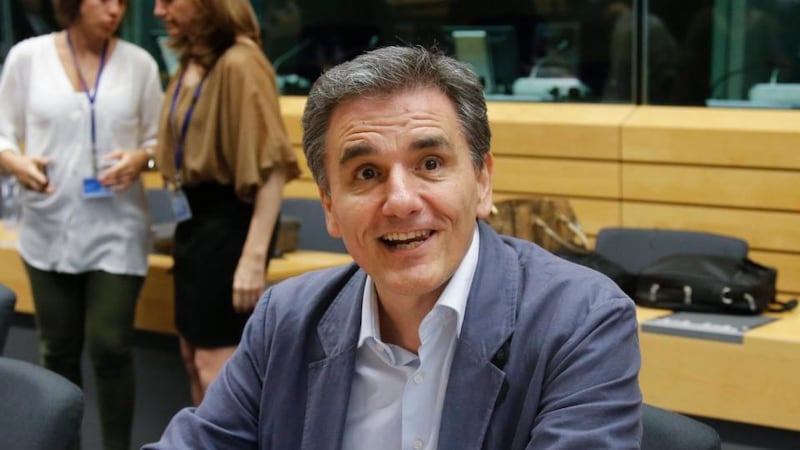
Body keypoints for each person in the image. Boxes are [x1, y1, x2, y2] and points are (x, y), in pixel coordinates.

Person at [145, 45, 642, 449]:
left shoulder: (581, 321)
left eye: (429, 163)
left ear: (482, 182)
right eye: (366, 173)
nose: (401, 202)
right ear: (330, 206)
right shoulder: (286, 320)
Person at [0, 0, 163, 449]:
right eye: (103, 0)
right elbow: (3, 133)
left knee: (111, 346)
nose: (115, 10)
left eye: (121, 2)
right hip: (47, 226)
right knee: (58, 350)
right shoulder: (27, 57)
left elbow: (158, 142)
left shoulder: (139, 64)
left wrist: (139, 158)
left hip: (119, 226)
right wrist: (15, 162)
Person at [152, 0, 300, 405]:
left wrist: (253, 259)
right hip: (194, 224)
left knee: (215, 366)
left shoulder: (240, 62)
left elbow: (271, 171)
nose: (158, 12)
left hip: (229, 225)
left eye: (168, 1)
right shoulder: (192, 61)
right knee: (191, 355)